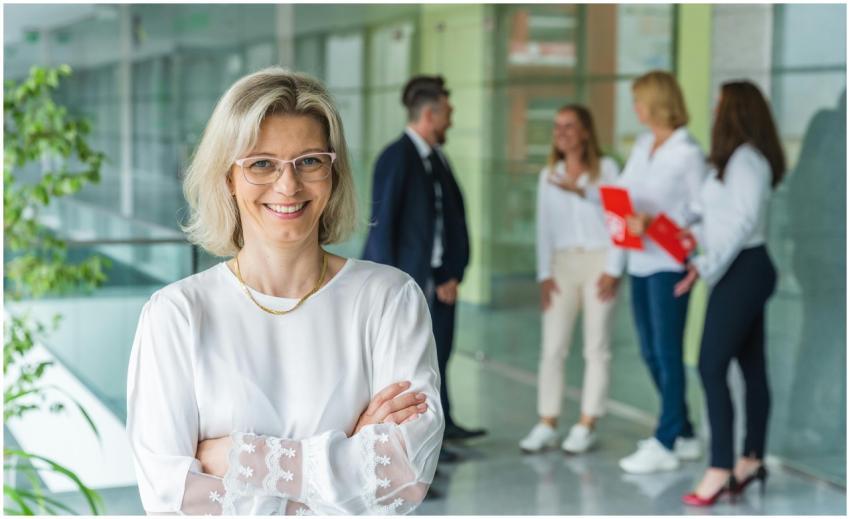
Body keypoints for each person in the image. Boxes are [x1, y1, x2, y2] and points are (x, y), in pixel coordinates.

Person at [126, 68, 444, 515]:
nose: (288, 185)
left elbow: (403, 480)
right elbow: (168, 498)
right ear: (227, 179)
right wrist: (347, 466)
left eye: (310, 160)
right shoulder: (175, 315)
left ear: (333, 172)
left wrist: (238, 456)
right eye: (261, 163)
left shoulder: (390, 299)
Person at [363, 75, 486, 448]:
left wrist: (451, 272)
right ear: (430, 114)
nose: (451, 120)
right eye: (447, 112)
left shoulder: (436, 158)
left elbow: (448, 221)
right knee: (410, 365)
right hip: (407, 286)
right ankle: (417, 443)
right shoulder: (396, 158)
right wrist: (389, 290)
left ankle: (442, 427)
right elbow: (381, 229)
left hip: (437, 281)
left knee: (438, 355)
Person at [677, 81, 785, 506]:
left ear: (736, 110)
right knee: (751, 366)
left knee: (710, 364)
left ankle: (721, 467)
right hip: (736, 268)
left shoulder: (748, 161)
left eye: (720, 103)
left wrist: (705, 265)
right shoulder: (731, 160)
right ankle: (750, 459)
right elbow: (719, 219)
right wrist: (692, 235)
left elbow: (742, 224)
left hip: (745, 268)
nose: (714, 108)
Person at [610, 70, 708, 474]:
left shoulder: (688, 153)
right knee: (650, 351)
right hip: (641, 261)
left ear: (656, 102)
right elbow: (625, 191)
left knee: (668, 353)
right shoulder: (645, 145)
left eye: (639, 100)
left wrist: (657, 223)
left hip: (670, 265)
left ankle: (665, 440)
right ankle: (683, 431)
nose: (635, 108)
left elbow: (704, 215)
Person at [518, 104, 621, 454]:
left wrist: (614, 268)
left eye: (569, 126)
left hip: (599, 261)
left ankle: (587, 422)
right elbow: (544, 229)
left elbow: (619, 218)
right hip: (562, 263)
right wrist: (545, 274)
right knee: (553, 347)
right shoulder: (549, 174)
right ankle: (548, 421)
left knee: (596, 348)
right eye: (557, 126)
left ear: (586, 131)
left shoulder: (607, 169)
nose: (561, 133)